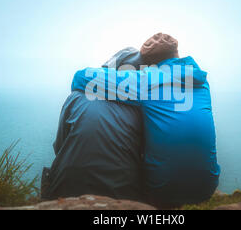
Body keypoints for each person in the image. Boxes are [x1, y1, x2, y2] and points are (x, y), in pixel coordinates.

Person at [71, 33, 221, 207]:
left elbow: (81, 77)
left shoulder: (146, 81)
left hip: (163, 192)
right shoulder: (201, 82)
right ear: (177, 53)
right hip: (207, 187)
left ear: (147, 64)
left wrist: (116, 74)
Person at [41, 47, 148, 201]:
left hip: (64, 190)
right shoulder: (142, 108)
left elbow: (59, 145)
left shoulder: (76, 97)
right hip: (122, 193)